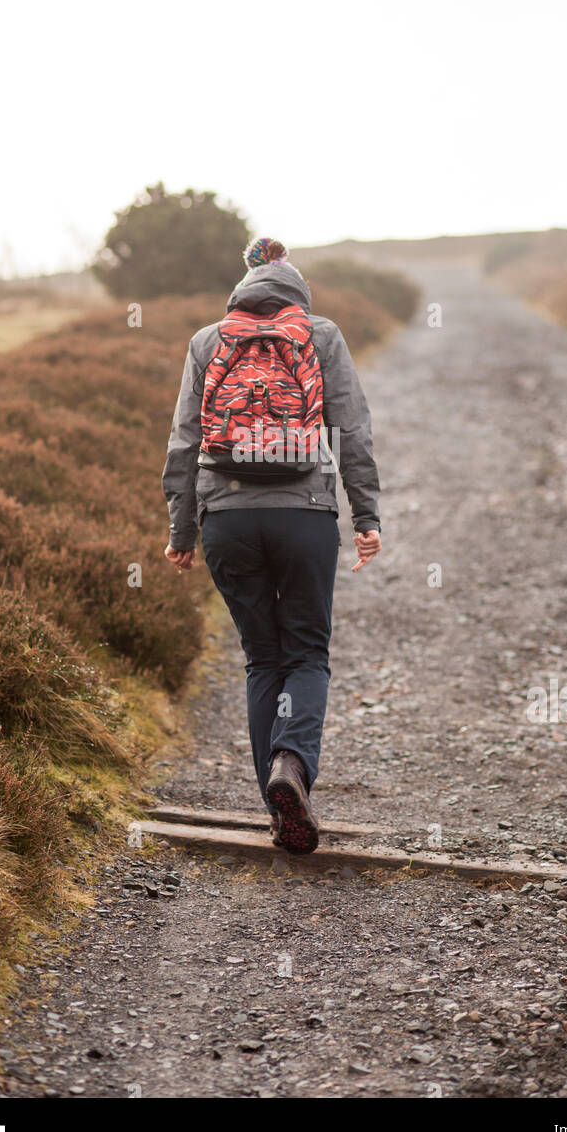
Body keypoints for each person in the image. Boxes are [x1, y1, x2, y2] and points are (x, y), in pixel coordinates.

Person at [161, 237, 381, 852]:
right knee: (307, 651)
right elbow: (352, 428)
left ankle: (278, 803)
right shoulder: (321, 334)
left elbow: (183, 443)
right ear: (297, 288)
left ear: (242, 289)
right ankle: (293, 766)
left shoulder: (209, 341)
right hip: (305, 511)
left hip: (227, 516)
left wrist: (183, 529)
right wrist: (367, 515)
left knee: (263, 656)